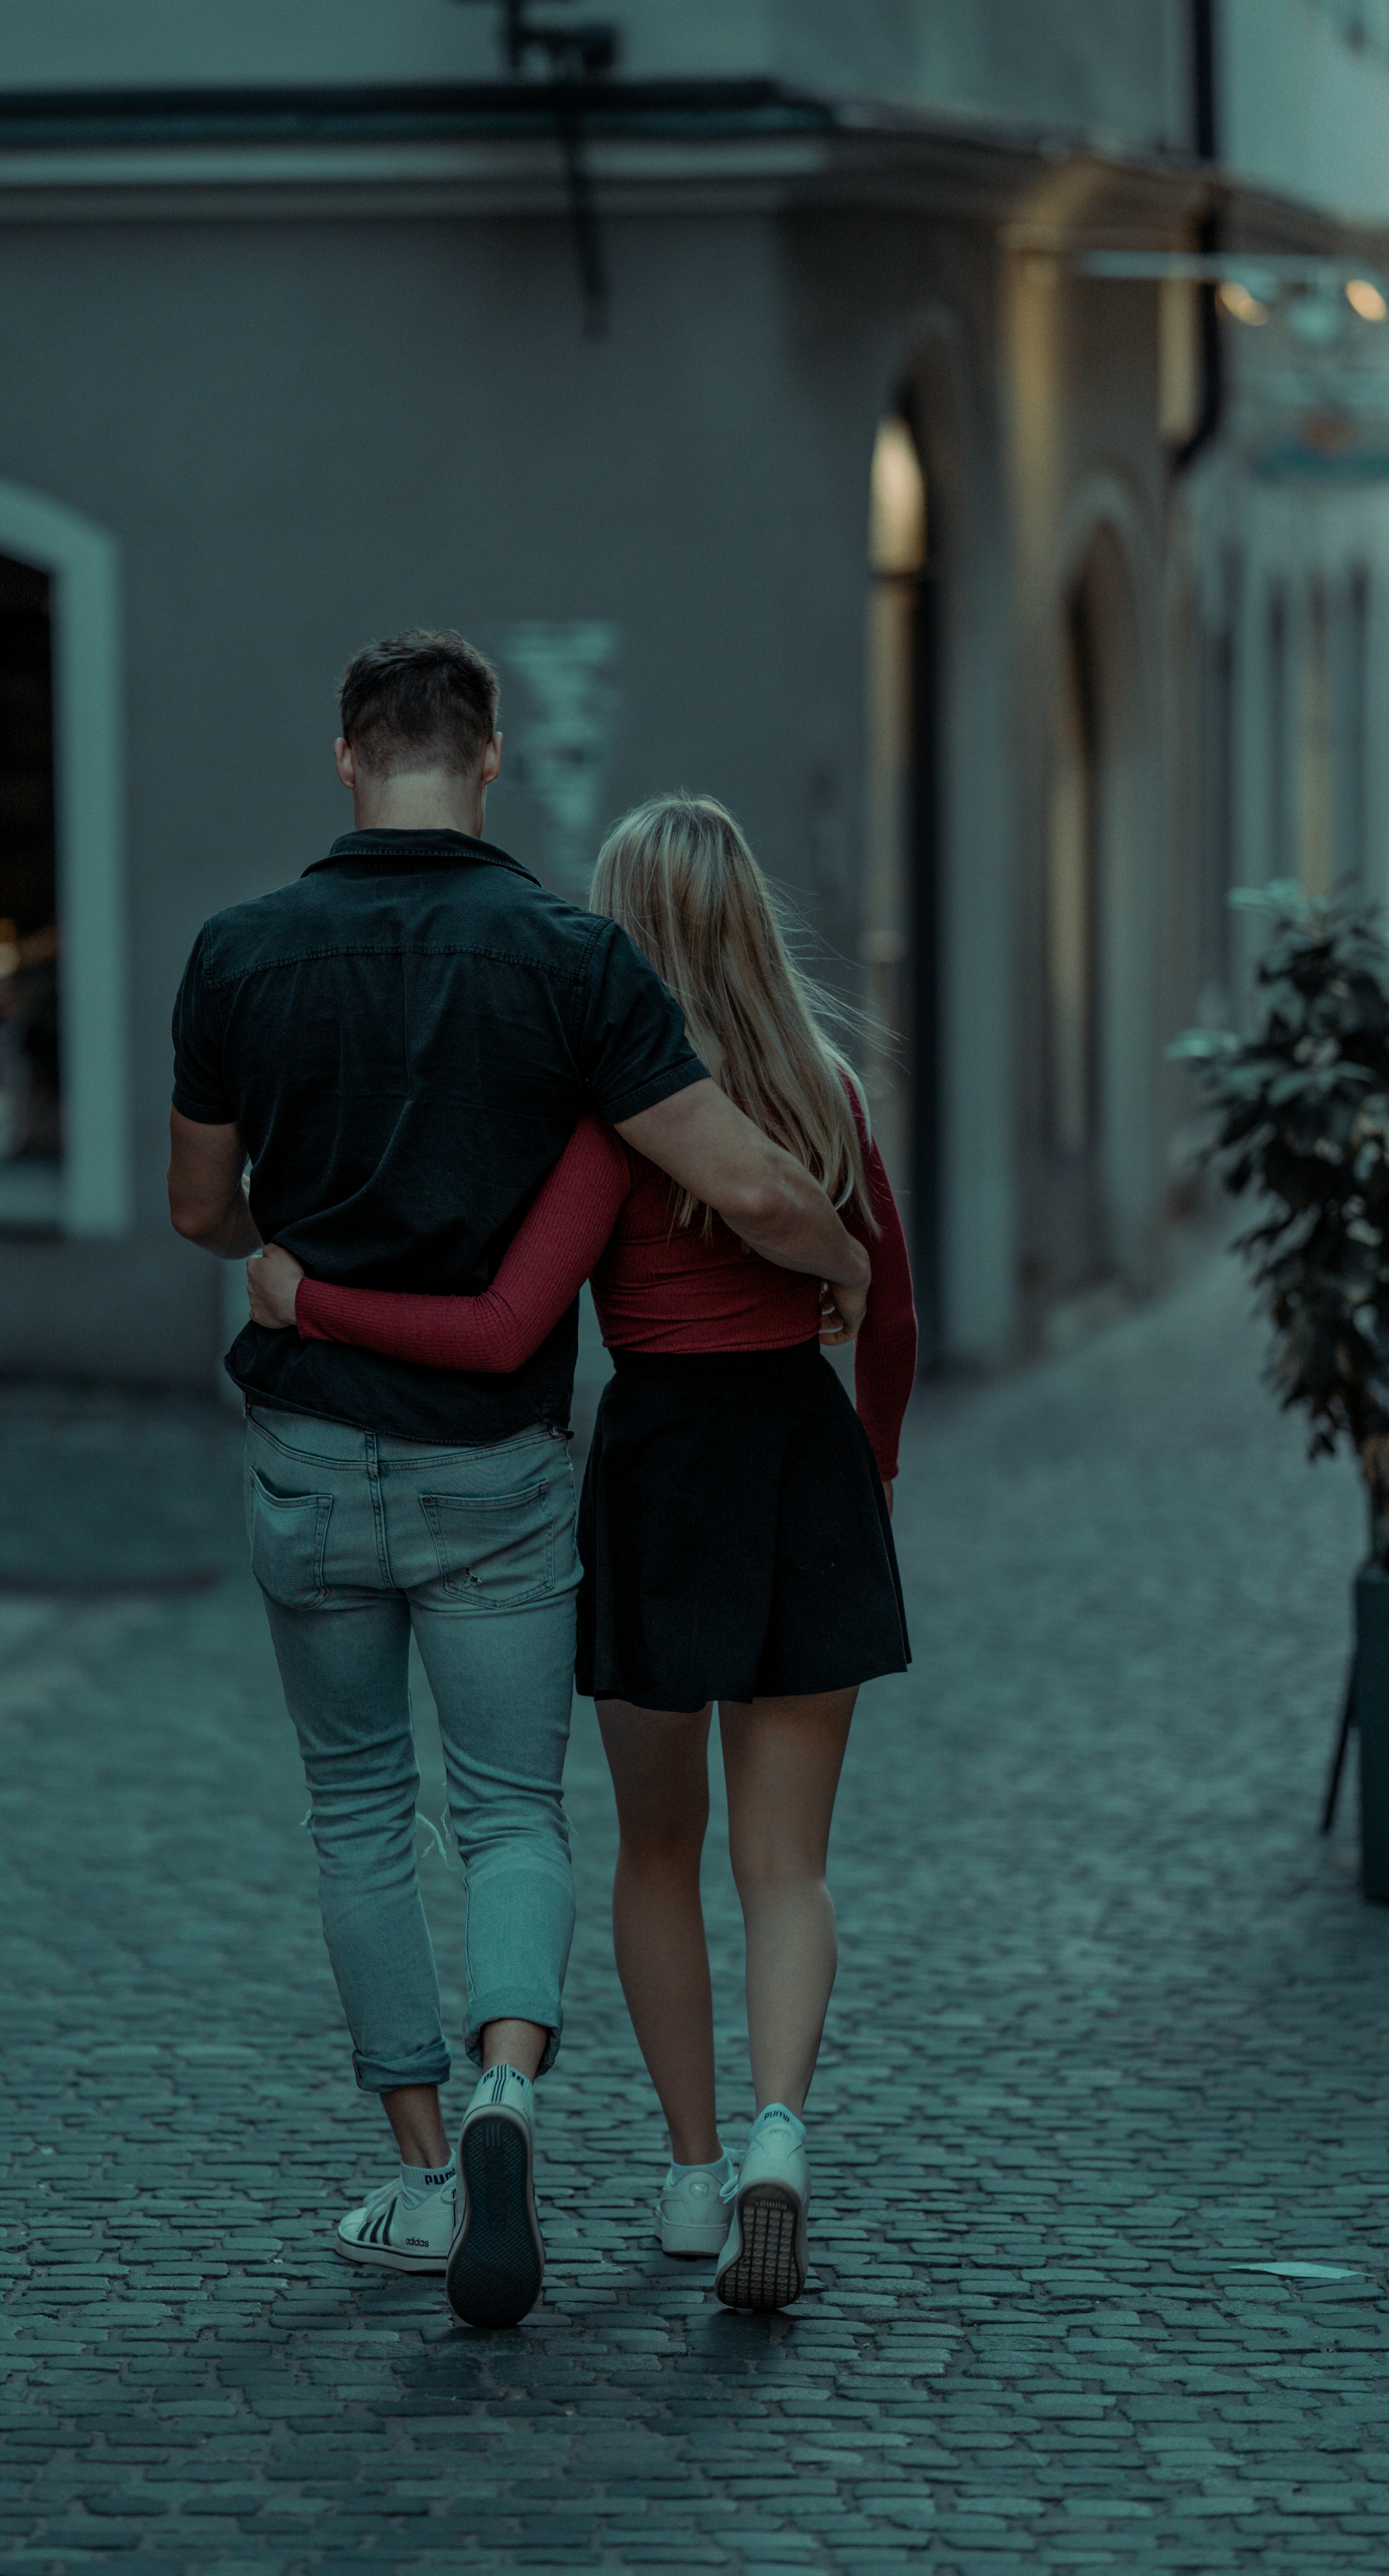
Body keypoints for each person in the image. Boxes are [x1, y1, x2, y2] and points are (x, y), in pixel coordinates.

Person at [168, 642, 871, 2331]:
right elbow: (756, 1188)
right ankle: (565, 2102)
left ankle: (435, 2169)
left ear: (348, 758)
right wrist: (842, 1268)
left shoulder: (237, 954)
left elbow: (208, 1209)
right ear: (487, 760)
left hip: (338, 1447)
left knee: (365, 1812)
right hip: (565, 1472)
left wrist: (287, 1269)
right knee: (524, 1814)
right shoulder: (574, 966)